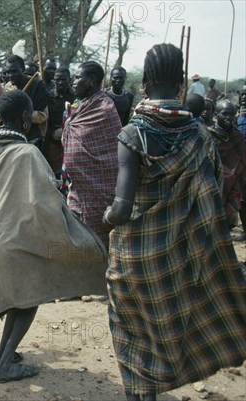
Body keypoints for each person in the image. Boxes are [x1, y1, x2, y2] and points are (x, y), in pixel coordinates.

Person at [104, 43, 246, 401]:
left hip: (135, 261)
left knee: (133, 334)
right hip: (179, 258)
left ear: (146, 81)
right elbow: (214, 201)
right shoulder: (200, 135)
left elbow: (120, 211)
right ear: (182, 82)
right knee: (164, 330)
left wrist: (105, 216)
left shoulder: (132, 135)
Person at [0, 90, 108, 383]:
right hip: (13, 240)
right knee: (28, 298)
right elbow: (44, 202)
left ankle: (1, 353)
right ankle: (5, 364)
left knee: (18, 298)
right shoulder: (28, 153)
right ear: (25, 118)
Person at [63, 61, 122, 247]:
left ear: (92, 80)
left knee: (100, 242)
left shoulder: (105, 108)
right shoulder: (81, 106)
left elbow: (112, 151)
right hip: (78, 191)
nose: (74, 82)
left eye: (78, 77)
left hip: (100, 188)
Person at [208, 100, 246, 236]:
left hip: (236, 180)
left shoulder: (237, 136)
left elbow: (243, 160)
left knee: (236, 208)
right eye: (224, 114)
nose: (228, 117)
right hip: (216, 181)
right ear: (216, 115)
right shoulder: (208, 135)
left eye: (232, 114)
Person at [3, 55, 49, 147]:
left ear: (23, 69)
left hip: (33, 136)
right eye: (8, 72)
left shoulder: (38, 85)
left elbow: (42, 115)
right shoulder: (8, 87)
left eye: (14, 71)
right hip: (12, 136)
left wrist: (21, 115)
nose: (10, 75)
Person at [44, 67, 75, 177]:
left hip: (72, 138)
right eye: (57, 80)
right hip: (52, 138)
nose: (60, 82)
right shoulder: (49, 95)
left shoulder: (75, 96)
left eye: (64, 79)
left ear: (69, 80)